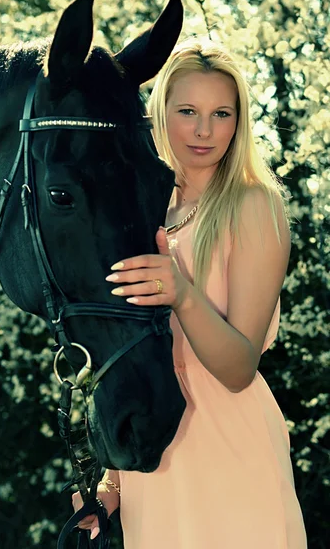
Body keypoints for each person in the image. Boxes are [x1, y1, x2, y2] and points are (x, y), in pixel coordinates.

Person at [72, 38, 307, 548]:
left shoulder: (254, 205)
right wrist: (111, 481)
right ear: (160, 112)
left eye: (221, 113)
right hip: (153, 446)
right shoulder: (142, 208)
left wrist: (182, 293)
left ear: (238, 122)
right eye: (187, 111)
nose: (204, 130)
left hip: (230, 444)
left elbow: (239, 367)